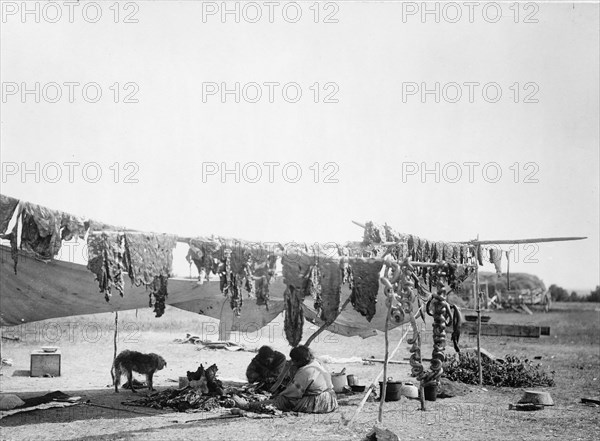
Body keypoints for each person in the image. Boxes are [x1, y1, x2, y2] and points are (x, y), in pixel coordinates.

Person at [235, 345, 338, 414]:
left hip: (320, 402)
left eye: (294, 361)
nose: (292, 363)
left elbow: (292, 393)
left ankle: (248, 406)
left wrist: (278, 396)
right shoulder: (316, 363)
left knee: (282, 401)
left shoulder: (306, 371)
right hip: (331, 400)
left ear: (300, 360)